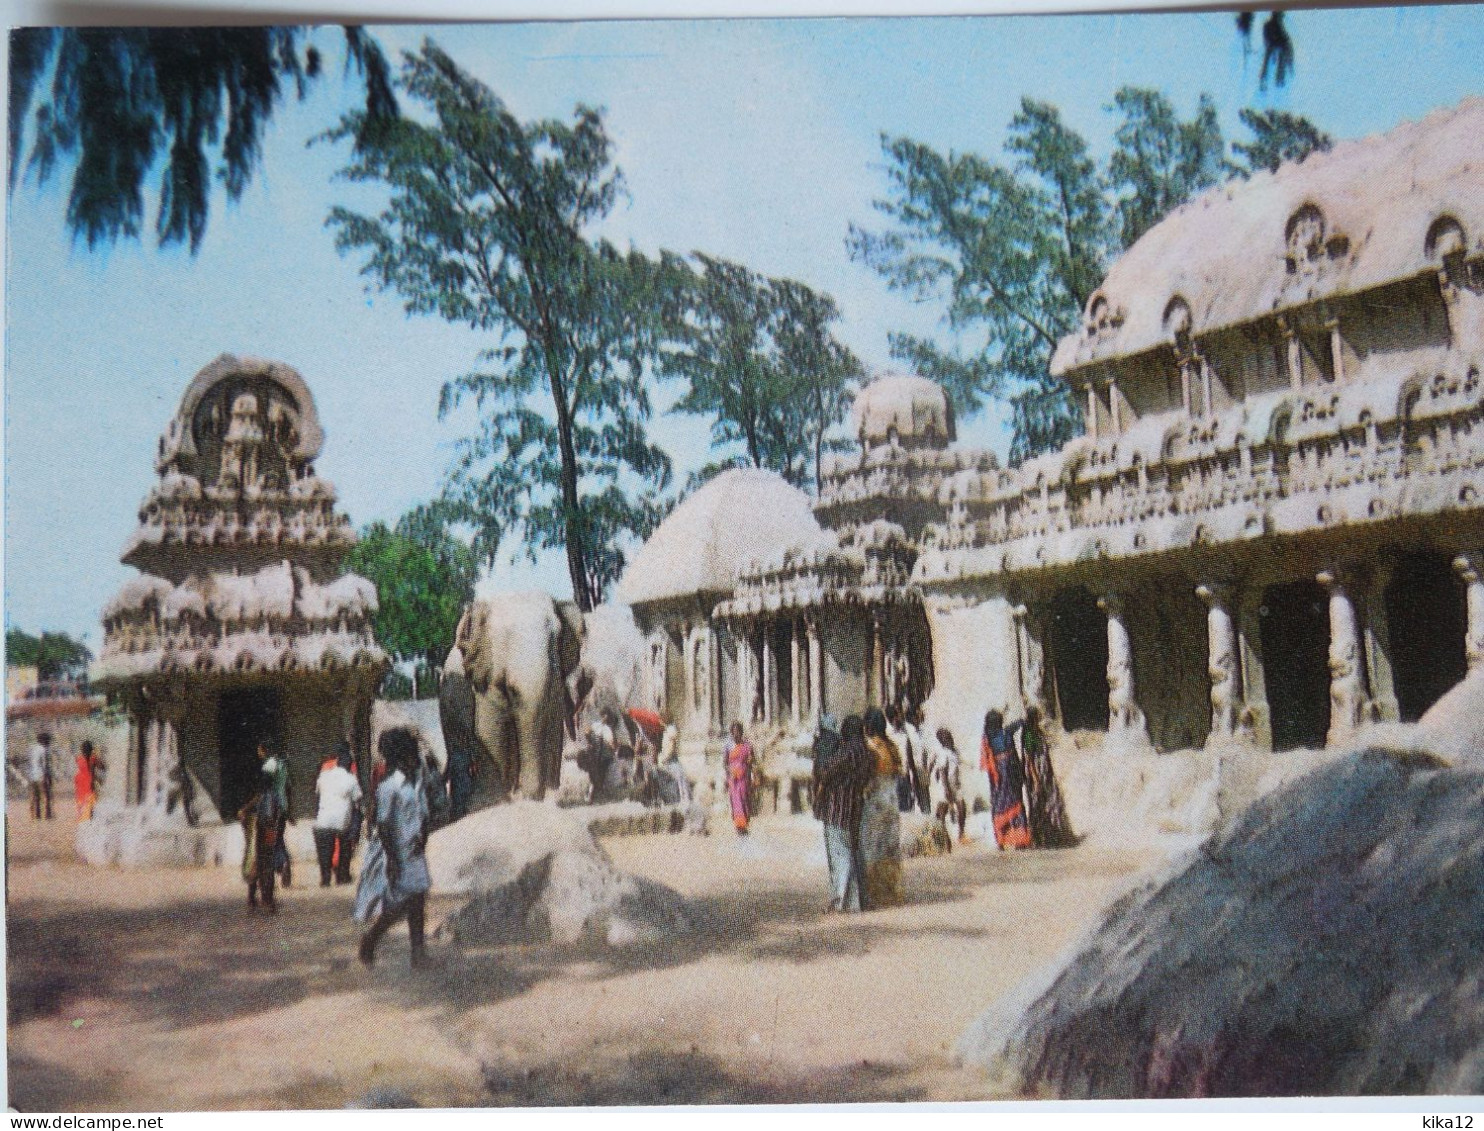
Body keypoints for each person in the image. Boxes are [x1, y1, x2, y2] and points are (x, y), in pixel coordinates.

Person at [357, 728, 432, 968]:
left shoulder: (412, 782)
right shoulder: (389, 787)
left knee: (417, 900)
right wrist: (391, 860)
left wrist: (422, 836)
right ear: (402, 755)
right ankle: (371, 940)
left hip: (414, 850)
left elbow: (418, 814)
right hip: (398, 852)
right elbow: (384, 825)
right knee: (402, 904)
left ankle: (417, 954)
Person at [813, 714, 872, 913]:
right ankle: (853, 901)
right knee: (851, 854)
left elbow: (826, 771)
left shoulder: (848, 751)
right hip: (855, 807)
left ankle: (842, 902)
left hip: (838, 807)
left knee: (840, 855)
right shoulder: (866, 751)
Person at [860, 708, 904, 908]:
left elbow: (867, 776)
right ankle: (891, 890)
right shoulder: (892, 746)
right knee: (890, 845)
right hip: (891, 799)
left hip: (876, 800)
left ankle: (873, 892)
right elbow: (898, 771)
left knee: (872, 845)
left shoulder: (871, 748)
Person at [1020, 706, 1076, 848]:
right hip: (1037, 773)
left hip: (1045, 772)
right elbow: (1029, 759)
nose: (1039, 718)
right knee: (1038, 805)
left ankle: (1051, 835)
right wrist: (1036, 779)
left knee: (1050, 801)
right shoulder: (1028, 734)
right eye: (1037, 716)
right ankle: (1038, 838)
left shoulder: (1037, 732)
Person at [981, 710, 1031, 851]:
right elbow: (1018, 724)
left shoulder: (989, 736)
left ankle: (1004, 839)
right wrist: (1023, 719)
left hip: (1001, 772)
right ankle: (1018, 839)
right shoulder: (997, 735)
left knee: (1001, 802)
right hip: (1007, 770)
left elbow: (1017, 725)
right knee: (1014, 800)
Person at [239, 762, 285, 913]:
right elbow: (278, 815)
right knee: (267, 866)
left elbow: (244, 813)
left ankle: (252, 899)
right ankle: (267, 900)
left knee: (254, 863)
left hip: (257, 834)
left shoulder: (259, 798)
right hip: (269, 834)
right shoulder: (274, 797)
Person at [314, 744, 363, 886]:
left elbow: (317, 795)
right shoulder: (351, 779)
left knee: (324, 850)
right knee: (346, 842)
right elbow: (358, 800)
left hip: (322, 822)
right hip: (342, 824)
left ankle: (325, 877)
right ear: (349, 765)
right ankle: (342, 875)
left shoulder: (324, 775)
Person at [930, 727, 969, 844]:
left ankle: (961, 834)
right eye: (947, 738)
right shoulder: (943, 753)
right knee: (942, 812)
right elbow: (942, 771)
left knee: (962, 808)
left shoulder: (955, 751)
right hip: (946, 785)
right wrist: (946, 788)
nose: (950, 739)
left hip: (956, 785)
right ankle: (941, 837)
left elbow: (959, 762)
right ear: (942, 741)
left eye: (950, 736)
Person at [726, 722, 754, 836]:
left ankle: (745, 822)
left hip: (744, 776)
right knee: (736, 800)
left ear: (741, 733)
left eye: (738, 731)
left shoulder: (747, 746)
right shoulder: (728, 746)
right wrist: (730, 771)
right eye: (734, 732)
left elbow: (751, 759)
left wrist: (747, 765)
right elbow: (725, 762)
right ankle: (739, 825)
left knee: (744, 799)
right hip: (733, 777)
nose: (736, 734)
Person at [905, 705, 932, 813]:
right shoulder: (908, 733)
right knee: (912, 800)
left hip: (922, 769)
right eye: (919, 713)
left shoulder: (921, 731)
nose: (922, 715)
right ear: (913, 717)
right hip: (912, 770)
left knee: (925, 800)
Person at [25, 732, 55, 820]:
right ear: (45, 741)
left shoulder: (32, 748)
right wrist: (47, 777)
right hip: (41, 775)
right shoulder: (44, 750)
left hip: (32, 775)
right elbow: (45, 765)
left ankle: (36, 815)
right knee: (46, 795)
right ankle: (47, 814)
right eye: (48, 740)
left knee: (35, 796)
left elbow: (28, 762)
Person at [74, 740, 100, 822]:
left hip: (80, 780)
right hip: (89, 780)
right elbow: (102, 767)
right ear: (91, 749)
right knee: (91, 799)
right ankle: (90, 817)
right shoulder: (94, 758)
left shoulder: (78, 758)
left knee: (81, 798)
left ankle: (81, 816)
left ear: (82, 749)